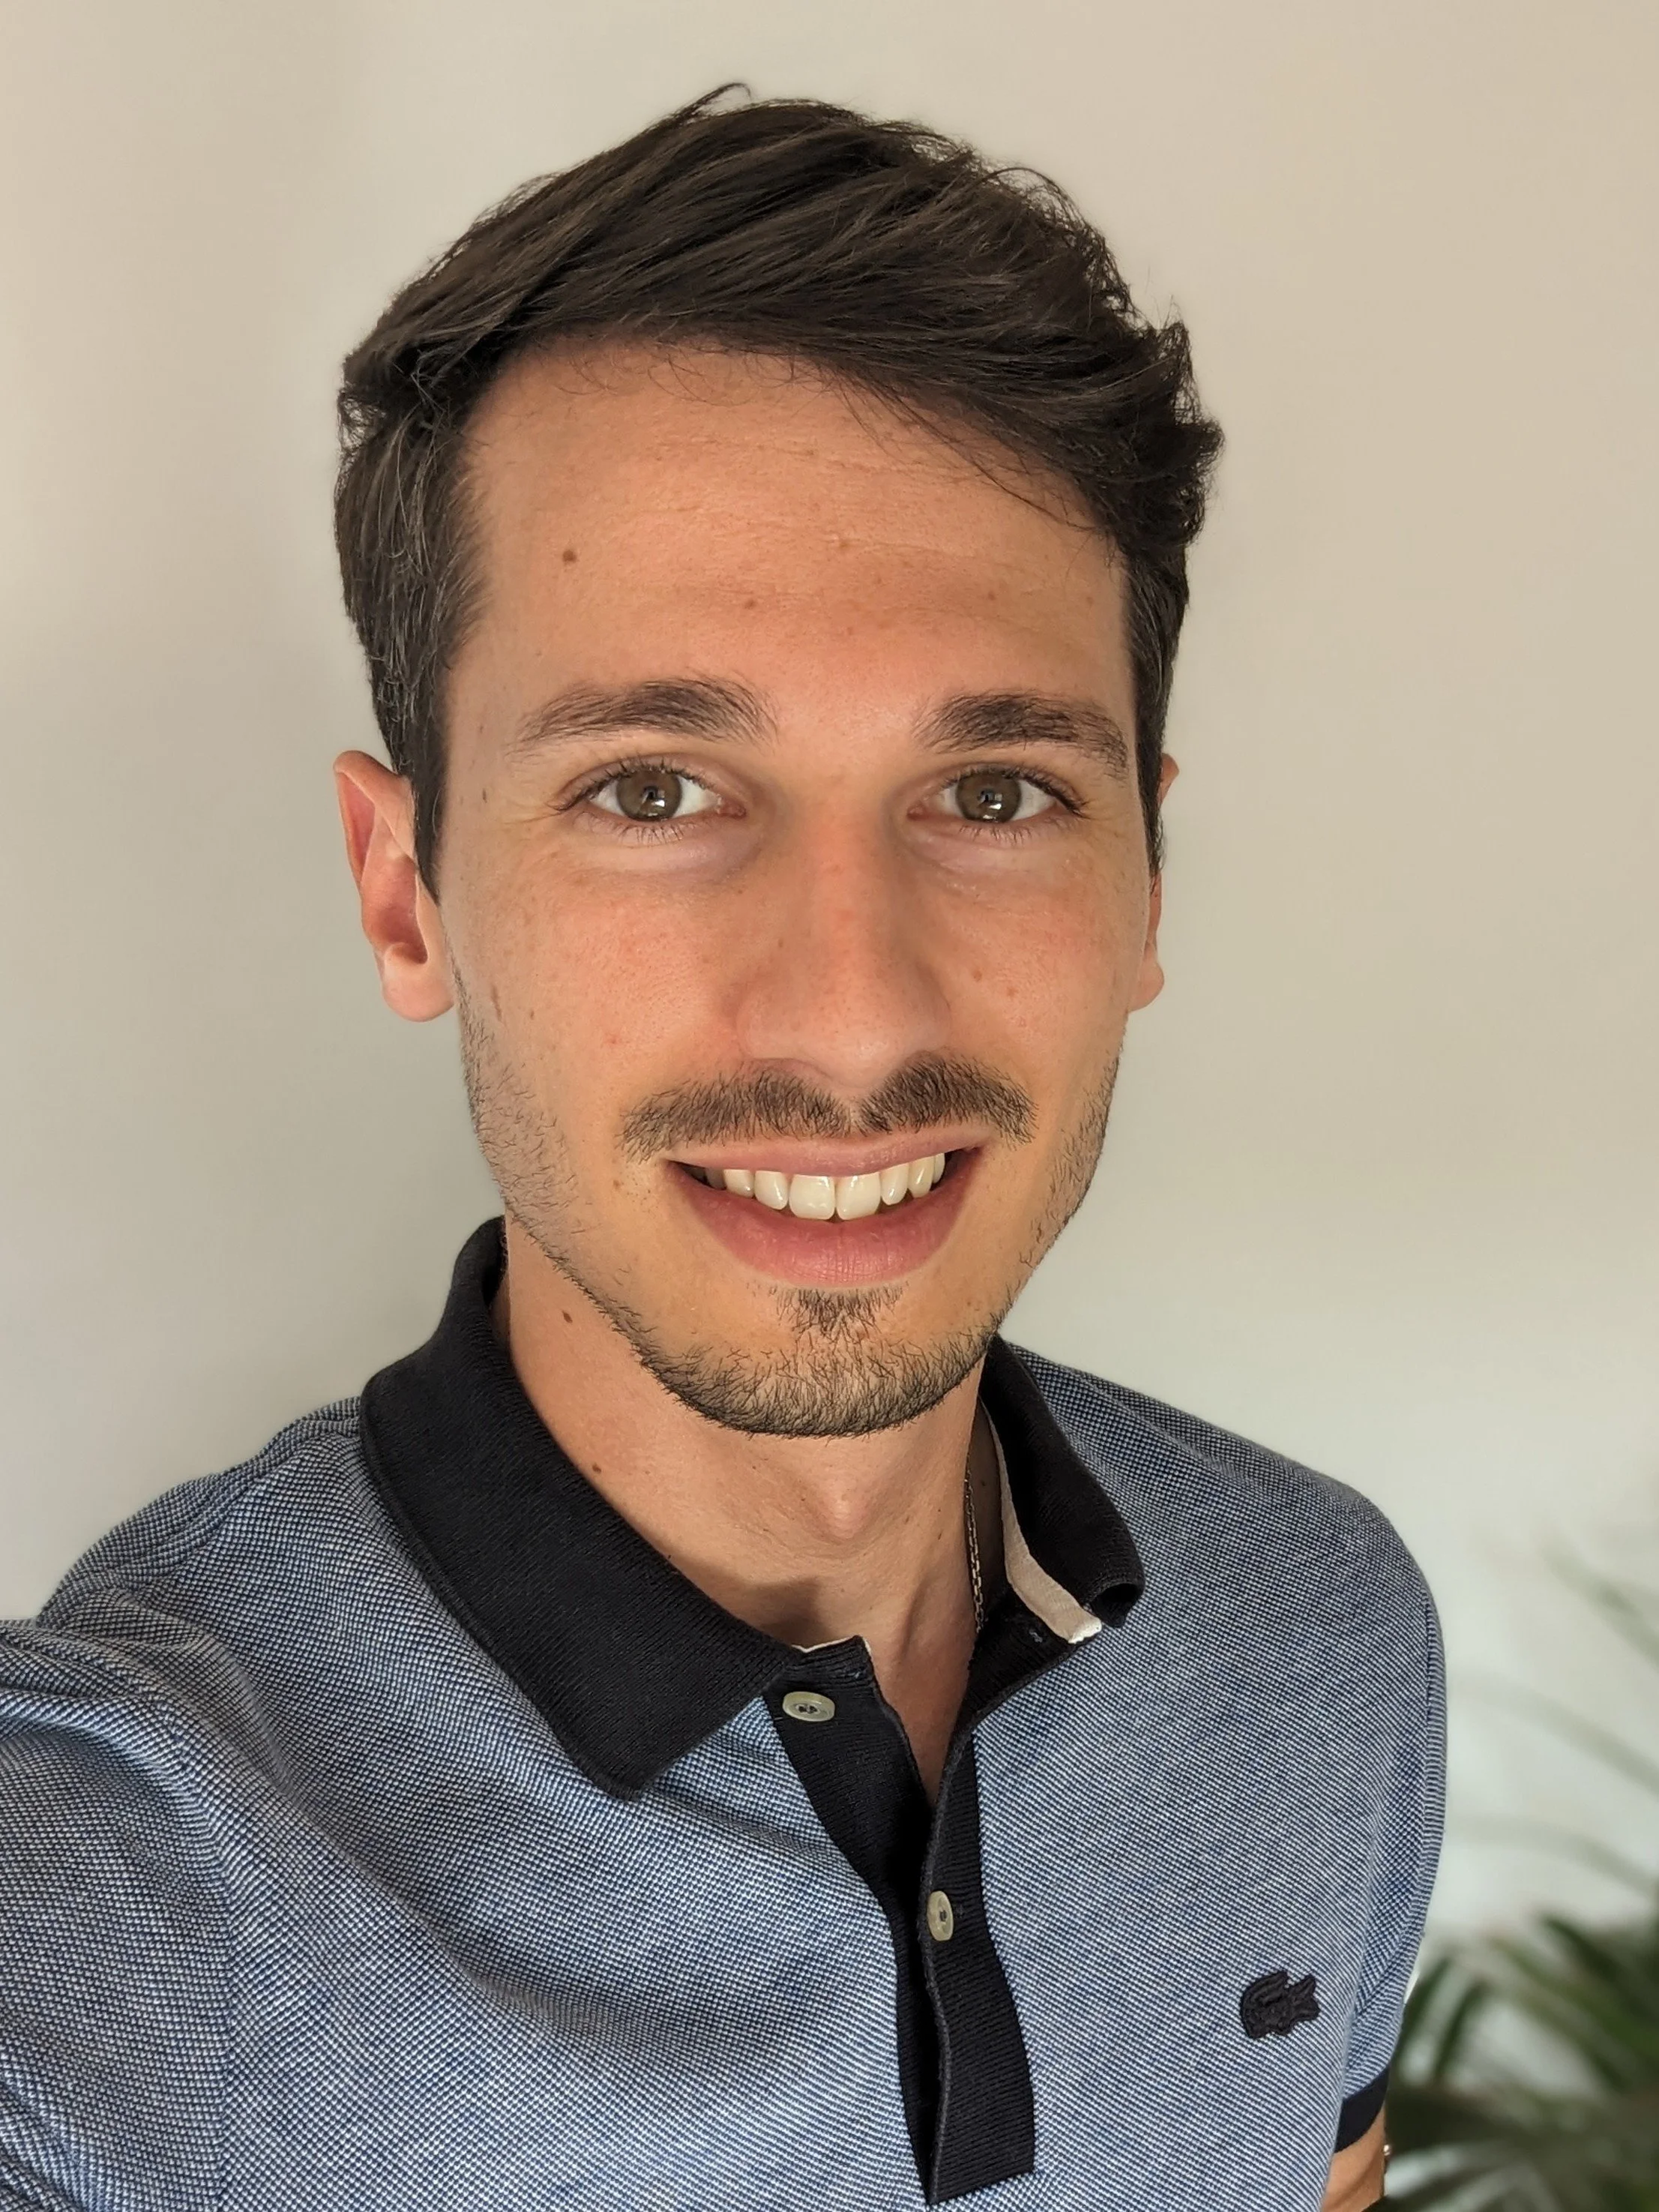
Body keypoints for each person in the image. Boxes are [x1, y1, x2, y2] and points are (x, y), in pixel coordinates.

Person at [0, 91, 1440, 2212]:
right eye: (655, 790)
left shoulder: (1322, 1633)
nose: (851, 1012)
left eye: (998, 791)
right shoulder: (109, 1888)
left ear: (1145, 878)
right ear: (403, 895)